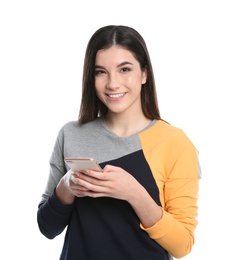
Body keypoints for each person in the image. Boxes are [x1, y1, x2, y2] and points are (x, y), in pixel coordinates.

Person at [37, 25, 201, 260]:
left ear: (144, 73)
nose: (113, 83)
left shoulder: (175, 143)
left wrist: (134, 194)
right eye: (100, 72)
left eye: (124, 69)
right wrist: (66, 186)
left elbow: (182, 245)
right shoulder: (71, 134)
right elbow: (47, 227)